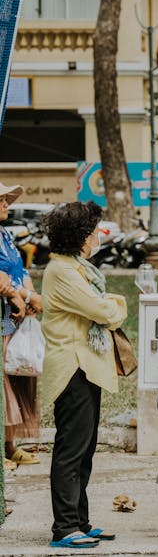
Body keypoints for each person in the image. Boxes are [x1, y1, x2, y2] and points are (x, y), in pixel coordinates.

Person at [40, 201, 128, 548]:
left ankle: (80, 521)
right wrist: (118, 304)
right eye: (93, 232)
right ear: (80, 237)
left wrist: (110, 305)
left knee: (84, 449)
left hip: (86, 366)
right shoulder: (62, 272)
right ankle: (64, 528)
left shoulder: (77, 268)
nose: (97, 237)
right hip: (72, 368)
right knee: (71, 450)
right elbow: (102, 310)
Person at [0, 181, 42, 471]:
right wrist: (18, 295)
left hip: (14, 320)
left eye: (6, 200)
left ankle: (10, 446)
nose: (6, 205)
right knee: (3, 385)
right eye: (1, 200)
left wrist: (29, 295)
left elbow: (20, 269)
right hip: (4, 315)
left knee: (16, 378)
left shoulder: (5, 234)